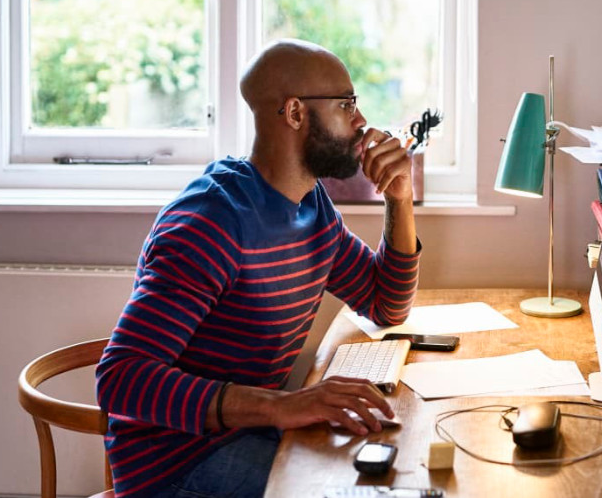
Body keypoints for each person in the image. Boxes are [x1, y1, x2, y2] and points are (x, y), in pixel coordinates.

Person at [96, 39, 421, 498]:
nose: (361, 121)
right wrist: (282, 406)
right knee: (363, 488)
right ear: (294, 114)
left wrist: (400, 196)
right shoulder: (212, 223)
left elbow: (385, 304)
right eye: (346, 105)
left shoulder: (312, 205)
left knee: (396, 465)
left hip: (250, 436)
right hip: (178, 465)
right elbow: (120, 378)